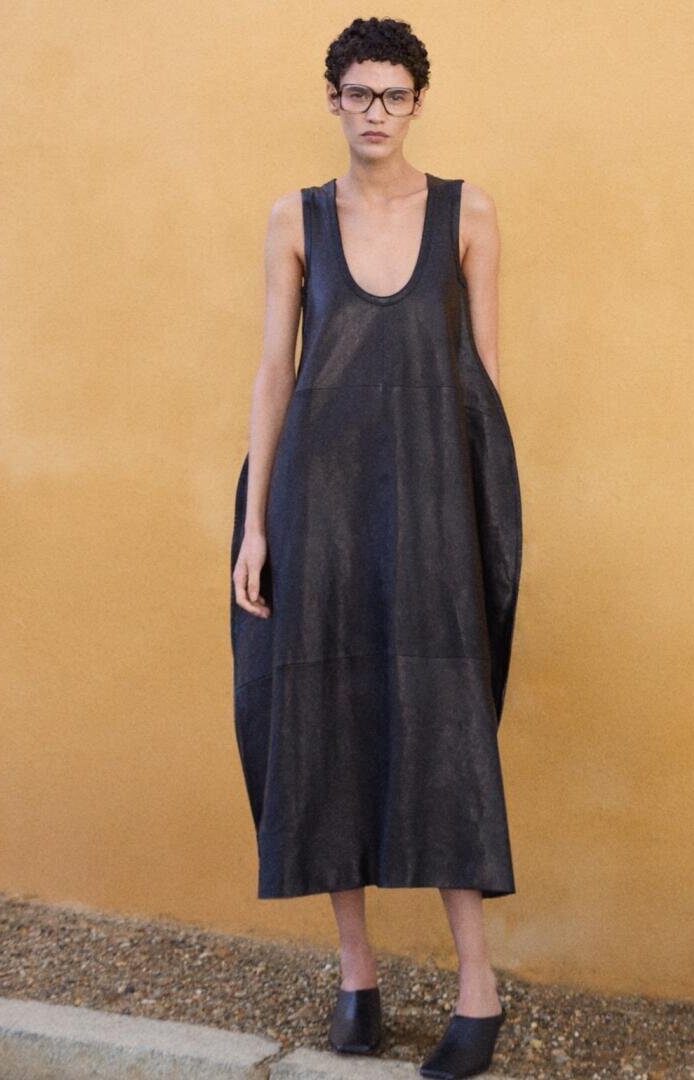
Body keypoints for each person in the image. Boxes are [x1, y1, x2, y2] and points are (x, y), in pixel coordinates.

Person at [227, 16, 523, 1079]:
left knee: (444, 728)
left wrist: (479, 526)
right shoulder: (296, 219)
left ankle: (476, 988)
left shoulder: (468, 213)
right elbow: (273, 373)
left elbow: (482, 381)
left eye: (392, 95)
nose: (374, 111)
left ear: (417, 103)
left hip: (429, 503)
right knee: (323, 718)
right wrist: (258, 523)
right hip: (319, 501)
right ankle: (357, 978)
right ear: (333, 100)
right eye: (357, 93)